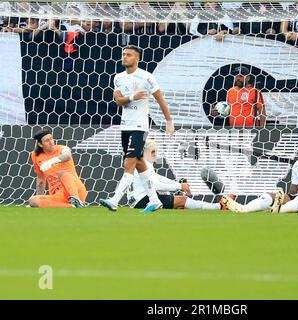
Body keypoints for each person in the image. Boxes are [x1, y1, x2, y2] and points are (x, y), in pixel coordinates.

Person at [100, 45, 175, 212]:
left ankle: (115, 199)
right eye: (123, 54)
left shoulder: (146, 77)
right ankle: (154, 200)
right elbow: (118, 101)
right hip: (125, 125)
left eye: (129, 55)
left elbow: (160, 99)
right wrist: (133, 96)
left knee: (129, 162)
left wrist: (169, 121)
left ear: (137, 58)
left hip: (140, 126)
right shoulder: (118, 77)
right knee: (140, 162)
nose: (124, 57)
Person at [221, 128, 298, 214]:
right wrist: (282, 198)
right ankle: (243, 209)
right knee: (271, 195)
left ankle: (277, 210)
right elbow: (293, 191)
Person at [127, 139, 229, 211]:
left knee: (170, 195)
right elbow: (156, 185)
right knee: (182, 199)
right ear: (143, 152)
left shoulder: (143, 164)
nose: (156, 154)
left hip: (136, 199)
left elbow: (158, 178)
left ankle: (178, 205)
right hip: (141, 200)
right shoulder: (145, 165)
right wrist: (180, 186)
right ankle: (219, 206)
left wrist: (177, 185)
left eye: (156, 151)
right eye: (153, 151)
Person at [28, 129, 87, 208]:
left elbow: (67, 155)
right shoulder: (35, 155)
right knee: (33, 200)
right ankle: (72, 206)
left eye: (51, 138)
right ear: (40, 144)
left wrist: (52, 161)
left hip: (75, 189)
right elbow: (40, 179)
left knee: (62, 173)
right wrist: (40, 199)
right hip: (58, 195)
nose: (51, 142)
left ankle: (76, 200)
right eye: (47, 141)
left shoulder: (62, 148)